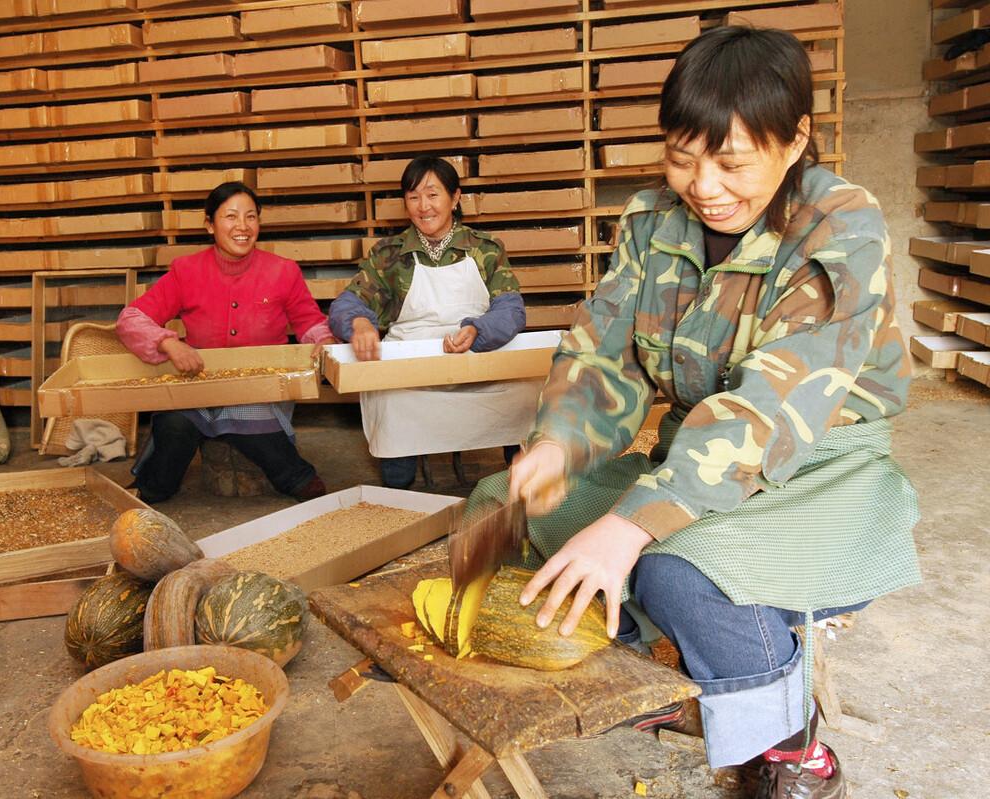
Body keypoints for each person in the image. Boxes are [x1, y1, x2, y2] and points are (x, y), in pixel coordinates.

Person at [467, 26, 921, 799]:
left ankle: (789, 742)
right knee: (497, 507)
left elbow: (767, 409)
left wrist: (630, 523)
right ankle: (661, 675)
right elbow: (602, 355)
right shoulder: (653, 224)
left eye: (731, 161)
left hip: (819, 469)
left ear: (795, 140)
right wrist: (558, 445)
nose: (703, 185)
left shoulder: (842, 228)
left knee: (678, 568)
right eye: (682, 156)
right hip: (697, 457)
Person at [328, 155, 542, 489]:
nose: (423, 206)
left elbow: (511, 309)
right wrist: (358, 322)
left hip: (475, 359)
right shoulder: (389, 254)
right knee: (391, 398)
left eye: (432, 194)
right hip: (412, 371)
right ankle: (398, 494)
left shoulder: (484, 249)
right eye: (413, 197)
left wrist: (477, 329)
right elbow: (349, 301)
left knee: (525, 392)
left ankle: (523, 487)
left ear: (455, 198)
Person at [117, 181, 334, 504]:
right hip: (200, 381)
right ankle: (155, 487)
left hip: (262, 385)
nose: (242, 227)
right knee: (174, 424)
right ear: (210, 224)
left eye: (251, 217)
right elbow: (131, 319)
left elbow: (310, 321)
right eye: (231, 217)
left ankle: (295, 475)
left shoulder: (283, 271)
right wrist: (168, 343)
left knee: (248, 415)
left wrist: (325, 340)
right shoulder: (186, 271)